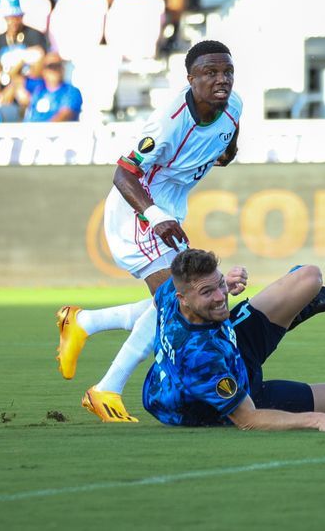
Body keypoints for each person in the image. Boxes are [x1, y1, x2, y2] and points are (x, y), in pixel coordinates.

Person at [54, 40, 243, 422]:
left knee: (173, 301)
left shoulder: (234, 105)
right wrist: (154, 214)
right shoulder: (169, 122)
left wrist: (219, 155)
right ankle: (106, 389)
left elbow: (227, 147)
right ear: (190, 79)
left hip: (171, 208)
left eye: (226, 72)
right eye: (210, 73)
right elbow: (124, 172)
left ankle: (83, 322)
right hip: (138, 211)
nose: (221, 80)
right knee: (174, 305)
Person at [141, 249, 325, 428]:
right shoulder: (200, 357)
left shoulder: (169, 292)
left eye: (220, 284)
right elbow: (248, 419)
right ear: (183, 299)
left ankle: (289, 316)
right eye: (208, 292)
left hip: (228, 345)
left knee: (309, 277)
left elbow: (180, 285)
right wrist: (317, 420)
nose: (222, 296)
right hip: (224, 398)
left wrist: (218, 288)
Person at [18, 52, 83, 122]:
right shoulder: (38, 88)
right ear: (43, 70)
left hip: (54, 131)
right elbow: (16, 80)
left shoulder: (71, 92)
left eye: (58, 65)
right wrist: (21, 61)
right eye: (51, 66)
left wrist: (42, 130)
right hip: (30, 130)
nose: (55, 69)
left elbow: (64, 115)